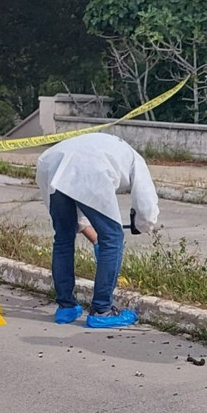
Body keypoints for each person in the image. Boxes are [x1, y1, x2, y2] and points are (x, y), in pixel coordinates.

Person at [36, 132, 159, 328]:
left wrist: (95, 240)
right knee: (113, 238)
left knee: (63, 239)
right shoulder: (136, 160)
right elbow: (146, 202)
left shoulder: (101, 146)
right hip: (91, 168)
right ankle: (102, 310)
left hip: (51, 163)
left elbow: (75, 198)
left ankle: (66, 307)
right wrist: (144, 224)